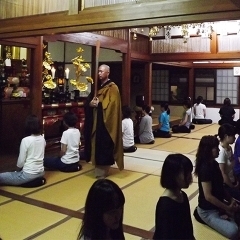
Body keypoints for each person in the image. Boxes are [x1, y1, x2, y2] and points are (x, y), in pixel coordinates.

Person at [194, 135, 239, 239]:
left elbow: (220, 187)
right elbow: (208, 196)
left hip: (219, 205)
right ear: (208, 150)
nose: (218, 149)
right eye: (216, 148)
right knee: (233, 232)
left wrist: (231, 200)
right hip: (208, 210)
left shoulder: (214, 164)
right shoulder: (204, 168)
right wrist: (227, 207)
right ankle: (200, 214)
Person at [84, 64, 123, 178]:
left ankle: (103, 170)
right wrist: (90, 104)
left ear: (108, 73)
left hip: (106, 124)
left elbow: (113, 106)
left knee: (104, 145)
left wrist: (99, 105)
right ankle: (97, 167)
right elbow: (89, 101)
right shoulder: (97, 87)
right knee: (95, 144)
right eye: (99, 71)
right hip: (96, 121)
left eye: (102, 71)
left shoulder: (113, 88)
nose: (99, 73)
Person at [153, 153, 194, 240]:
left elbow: (188, 229)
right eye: (186, 173)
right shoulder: (165, 206)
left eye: (190, 173)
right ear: (173, 175)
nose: (190, 177)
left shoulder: (183, 196)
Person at [0, 115, 46, 186]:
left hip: (28, 174)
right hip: (41, 172)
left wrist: (17, 170)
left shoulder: (26, 140)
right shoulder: (42, 139)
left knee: (2, 177)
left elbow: (21, 161)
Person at [215, 123, 240, 201]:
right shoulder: (221, 152)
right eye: (233, 136)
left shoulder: (229, 148)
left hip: (233, 181)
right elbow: (223, 174)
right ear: (226, 136)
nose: (234, 138)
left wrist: (236, 181)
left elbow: (232, 168)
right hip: (226, 185)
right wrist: (233, 187)